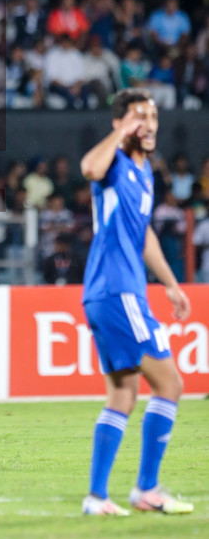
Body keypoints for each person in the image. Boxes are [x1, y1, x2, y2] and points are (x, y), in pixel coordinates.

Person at [80, 90, 193, 516]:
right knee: (170, 385)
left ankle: (97, 497)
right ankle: (146, 489)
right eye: (137, 116)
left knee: (124, 394)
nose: (148, 123)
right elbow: (89, 167)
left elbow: (144, 236)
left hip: (114, 292)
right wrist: (122, 132)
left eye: (153, 116)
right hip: (117, 290)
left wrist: (170, 284)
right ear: (120, 123)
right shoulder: (113, 165)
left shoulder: (144, 174)